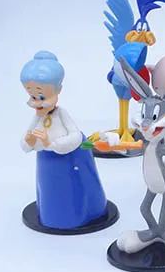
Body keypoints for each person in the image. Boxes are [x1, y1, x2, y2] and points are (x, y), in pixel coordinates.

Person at [21, 51, 110, 229]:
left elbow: (75, 136)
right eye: (32, 96)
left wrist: (51, 144)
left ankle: (76, 217)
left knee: (73, 191)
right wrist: (30, 142)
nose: (37, 102)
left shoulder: (62, 114)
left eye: (41, 96)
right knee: (50, 191)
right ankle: (52, 217)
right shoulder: (37, 118)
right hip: (47, 162)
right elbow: (25, 144)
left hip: (70, 160)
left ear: (58, 91)